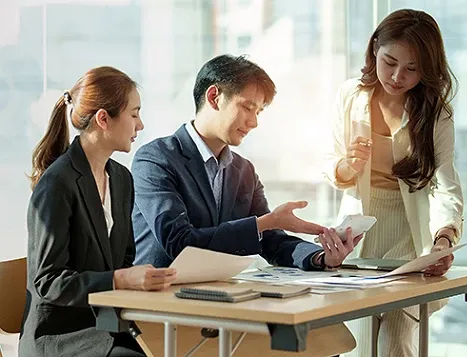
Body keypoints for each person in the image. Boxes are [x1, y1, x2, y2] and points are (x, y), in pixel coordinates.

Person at [131, 54, 361, 272]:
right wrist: (264, 223)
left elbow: (271, 241)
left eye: (259, 111)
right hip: (159, 299)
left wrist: (322, 256)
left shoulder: (243, 170)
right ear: (214, 97)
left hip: (216, 295)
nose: (254, 122)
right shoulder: (155, 159)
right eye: (247, 107)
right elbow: (179, 242)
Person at [323, 9, 464, 357]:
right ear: (374, 50)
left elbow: (445, 185)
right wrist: (349, 165)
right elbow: (332, 166)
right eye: (390, 62)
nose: (397, 76)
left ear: (427, 68)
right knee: (359, 344)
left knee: (394, 345)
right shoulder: (350, 95)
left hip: (409, 236)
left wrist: (444, 238)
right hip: (358, 234)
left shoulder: (435, 112)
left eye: (412, 68)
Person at [19, 66, 177, 357]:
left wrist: (143, 279)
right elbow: (48, 282)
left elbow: (125, 257)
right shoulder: (57, 184)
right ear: (104, 119)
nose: (140, 125)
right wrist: (119, 279)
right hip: (60, 337)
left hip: (106, 325)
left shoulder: (121, 178)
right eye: (134, 114)